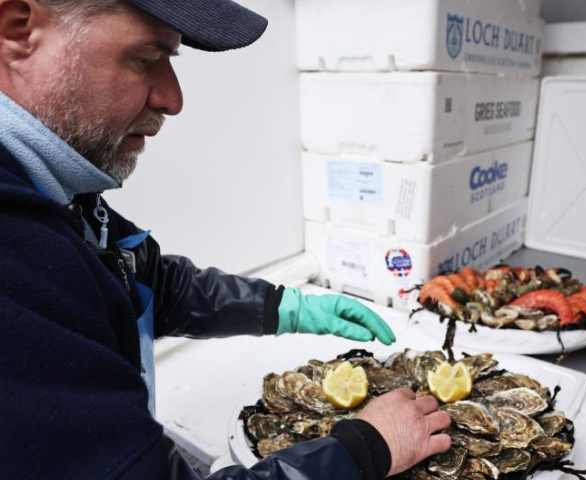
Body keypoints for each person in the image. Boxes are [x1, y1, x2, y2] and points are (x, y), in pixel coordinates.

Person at [0, 0, 452, 478]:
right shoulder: (13, 256)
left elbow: (142, 279)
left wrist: (286, 306)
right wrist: (362, 451)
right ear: (17, 30)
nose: (173, 99)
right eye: (144, 56)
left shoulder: (60, 200)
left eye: (172, 60)